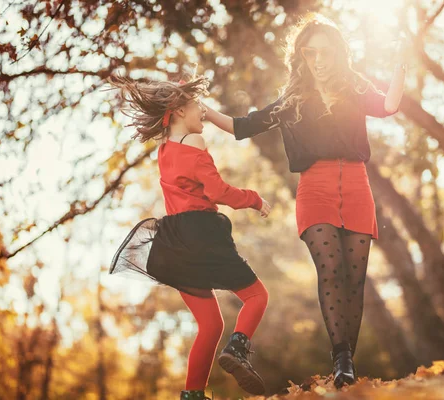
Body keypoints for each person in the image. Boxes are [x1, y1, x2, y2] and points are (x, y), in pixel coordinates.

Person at [203, 13, 407, 388]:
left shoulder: (354, 88)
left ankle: (347, 364)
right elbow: (242, 125)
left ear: (338, 54)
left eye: (325, 52)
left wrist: (402, 63)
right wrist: (204, 111)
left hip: (358, 188)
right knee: (331, 269)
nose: (319, 60)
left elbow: (388, 106)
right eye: (310, 53)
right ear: (302, 57)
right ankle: (340, 356)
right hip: (315, 190)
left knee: (354, 279)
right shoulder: (293, 100)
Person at [108, 75, 272, 399]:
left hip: (173, 244)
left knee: (210, 325)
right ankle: (238, 351)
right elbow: (217, 190)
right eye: (198, 105)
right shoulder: (193, 143)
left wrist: (200, 110)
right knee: (257, 297)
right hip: (202, 233)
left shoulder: (163, 150)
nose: (205, 112)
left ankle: (192, 395)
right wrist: (254, 199)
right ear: (179, 110)